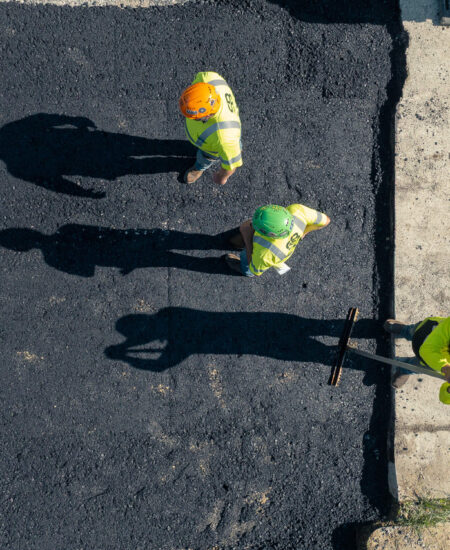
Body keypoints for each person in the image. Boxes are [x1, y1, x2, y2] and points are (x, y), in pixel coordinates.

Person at [223, 204, 330, 277]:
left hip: (262, 258)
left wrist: (247, 239)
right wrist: (304, 232)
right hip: (279, 251)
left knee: (248, 266)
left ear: (270, 235)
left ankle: (243, 269)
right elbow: (326, 221)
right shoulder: (297, 211)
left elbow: (256, 271)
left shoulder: (265, 254)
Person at [179, 71, 242, 185]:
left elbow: (230, 165)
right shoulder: (207, 78)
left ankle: (199, 168)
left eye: (196, 118)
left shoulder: (224, 139)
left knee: (206, 157)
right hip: (219, 137)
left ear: (208, 115)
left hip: (212, 148)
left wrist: (222, 177)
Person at [384, 316, 450, 403]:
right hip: (426, 331)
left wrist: (448, 390)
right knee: (412, 331)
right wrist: (445, 367)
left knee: (416, 366)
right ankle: (404, 330)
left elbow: (444, 398)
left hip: (431, 363)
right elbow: (427, 350)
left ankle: (404, 370)